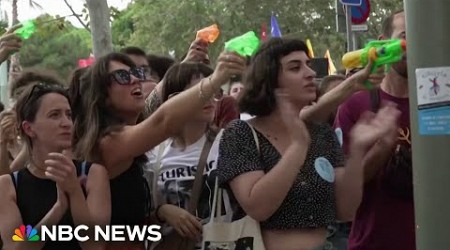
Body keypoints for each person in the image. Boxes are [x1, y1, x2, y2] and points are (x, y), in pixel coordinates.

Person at [216, 38, 400, 250]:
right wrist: (298, 148)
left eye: (308, 65)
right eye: (295, 67)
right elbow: (258, 207)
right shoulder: (241, 134)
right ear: (269, 79)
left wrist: (358, 151)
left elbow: (345, 209)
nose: (310, 73)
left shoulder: (321, 133)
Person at [73, 51, 245, 249]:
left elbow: (156, 103)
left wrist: (161, 212)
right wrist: (215, 79)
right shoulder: (107, 142)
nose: (135, 80)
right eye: (122, 76)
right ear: (103, 96)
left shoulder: (132, 138)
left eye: (137, 72)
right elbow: (163, 120)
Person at [334, 10, 414, 250]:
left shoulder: (440, 104)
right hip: (372, 242)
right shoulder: (354, 105)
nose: (413, 44)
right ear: (382, 43)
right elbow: (343, 195)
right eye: (405, 36)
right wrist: (382, 149)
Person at [0, 82, 110, 250]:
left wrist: (74, 192)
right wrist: (57, 210)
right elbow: (16, 246)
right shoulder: (9, 185)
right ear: (29, 129)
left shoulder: (92, 174)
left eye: (68, 114)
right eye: (54, 115)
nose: (66, 123)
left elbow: (94, 245)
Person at [146, 62, 224, 248]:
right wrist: (162, 212)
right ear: (175, 99)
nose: (211, 98)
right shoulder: (151, 154)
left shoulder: (229, 143)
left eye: (214, 90)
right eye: (200, 91)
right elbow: (138, 216)